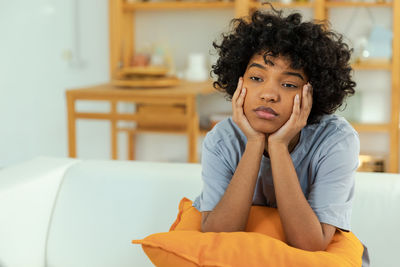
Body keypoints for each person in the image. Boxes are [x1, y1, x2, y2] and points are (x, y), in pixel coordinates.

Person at [193, 7, 361, 253]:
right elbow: (218, 234)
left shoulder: (336, 141)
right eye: (257, 78)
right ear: (239, 82)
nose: (268, 95)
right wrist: (254, 143)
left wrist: (279, 146)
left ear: (312, 93)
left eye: (288, 84)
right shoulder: (222, 140)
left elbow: (311, 244)